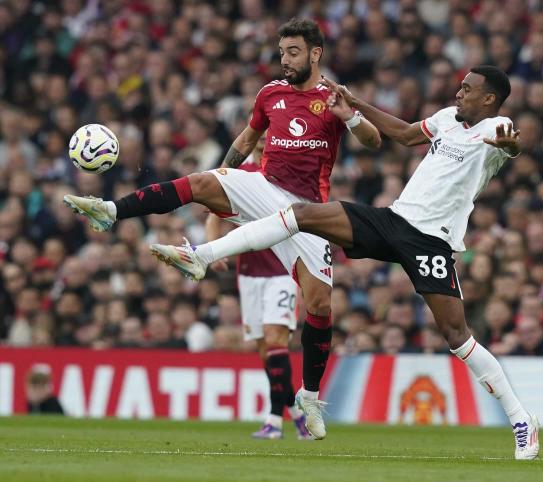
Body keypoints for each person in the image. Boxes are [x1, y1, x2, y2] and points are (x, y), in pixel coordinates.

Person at [151, 66, 540, 460]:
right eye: (460, 87)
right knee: (303, 214)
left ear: (489, 99)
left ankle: (521, 419)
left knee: (457, 335)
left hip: (431, 241)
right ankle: (202, 255)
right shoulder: (446, 120)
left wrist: (509, 146)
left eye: (468, 89)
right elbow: (405, 135)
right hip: (394, 220)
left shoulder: (498, 126)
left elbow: (509, 146)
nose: (459, 93)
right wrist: (355, 104)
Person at [62, 18, 381, 440]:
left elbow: (374, 141)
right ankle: (109, 211)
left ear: (315, 54)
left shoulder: (334, 97)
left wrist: (352, 119)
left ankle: (309, 395)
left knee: (319, 306)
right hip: (263, 187)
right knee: (198, 182)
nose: (284, 59)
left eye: (293, 52)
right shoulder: (270, 94)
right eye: (282, 51)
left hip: (308, 212)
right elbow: (248, 139)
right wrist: (225, 178)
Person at [205, 133, 311, 439]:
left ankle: (274, 421)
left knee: (276, 339)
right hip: (249, 273)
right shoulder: (240, 174)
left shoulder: (287, 169)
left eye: (271, 136)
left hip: (283, 269)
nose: (265, 142)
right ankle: (296, 412)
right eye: (261, 136)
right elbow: (214, 215)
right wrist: (214, 248)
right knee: (267, 351)